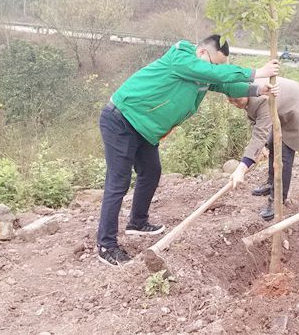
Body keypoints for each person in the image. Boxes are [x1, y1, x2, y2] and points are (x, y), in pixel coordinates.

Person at [96, 35, 280, 266]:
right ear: (202, 53)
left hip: (144, 128)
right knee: (118, 182)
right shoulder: (182, 59)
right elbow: (216, 75)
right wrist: (257, 71)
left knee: (151, 172)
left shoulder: (200, 74)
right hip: (122, 119)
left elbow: (224, 83)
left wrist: (257, 88)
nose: (216, 70)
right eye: (216, 64)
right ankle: (106, 245)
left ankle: (137, 223)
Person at [227, 77, 299, 221]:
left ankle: (278, 200)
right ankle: (271, 183)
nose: (235, 104)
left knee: (283, 152)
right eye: (230, 100)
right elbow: (258, 122)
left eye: (237, 100)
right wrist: (262, 147)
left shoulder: (263, 98)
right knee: (271, 142)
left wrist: (241, 168)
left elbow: (259, 134)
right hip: (282, 105)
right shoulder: (249, 91)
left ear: (247, 91)